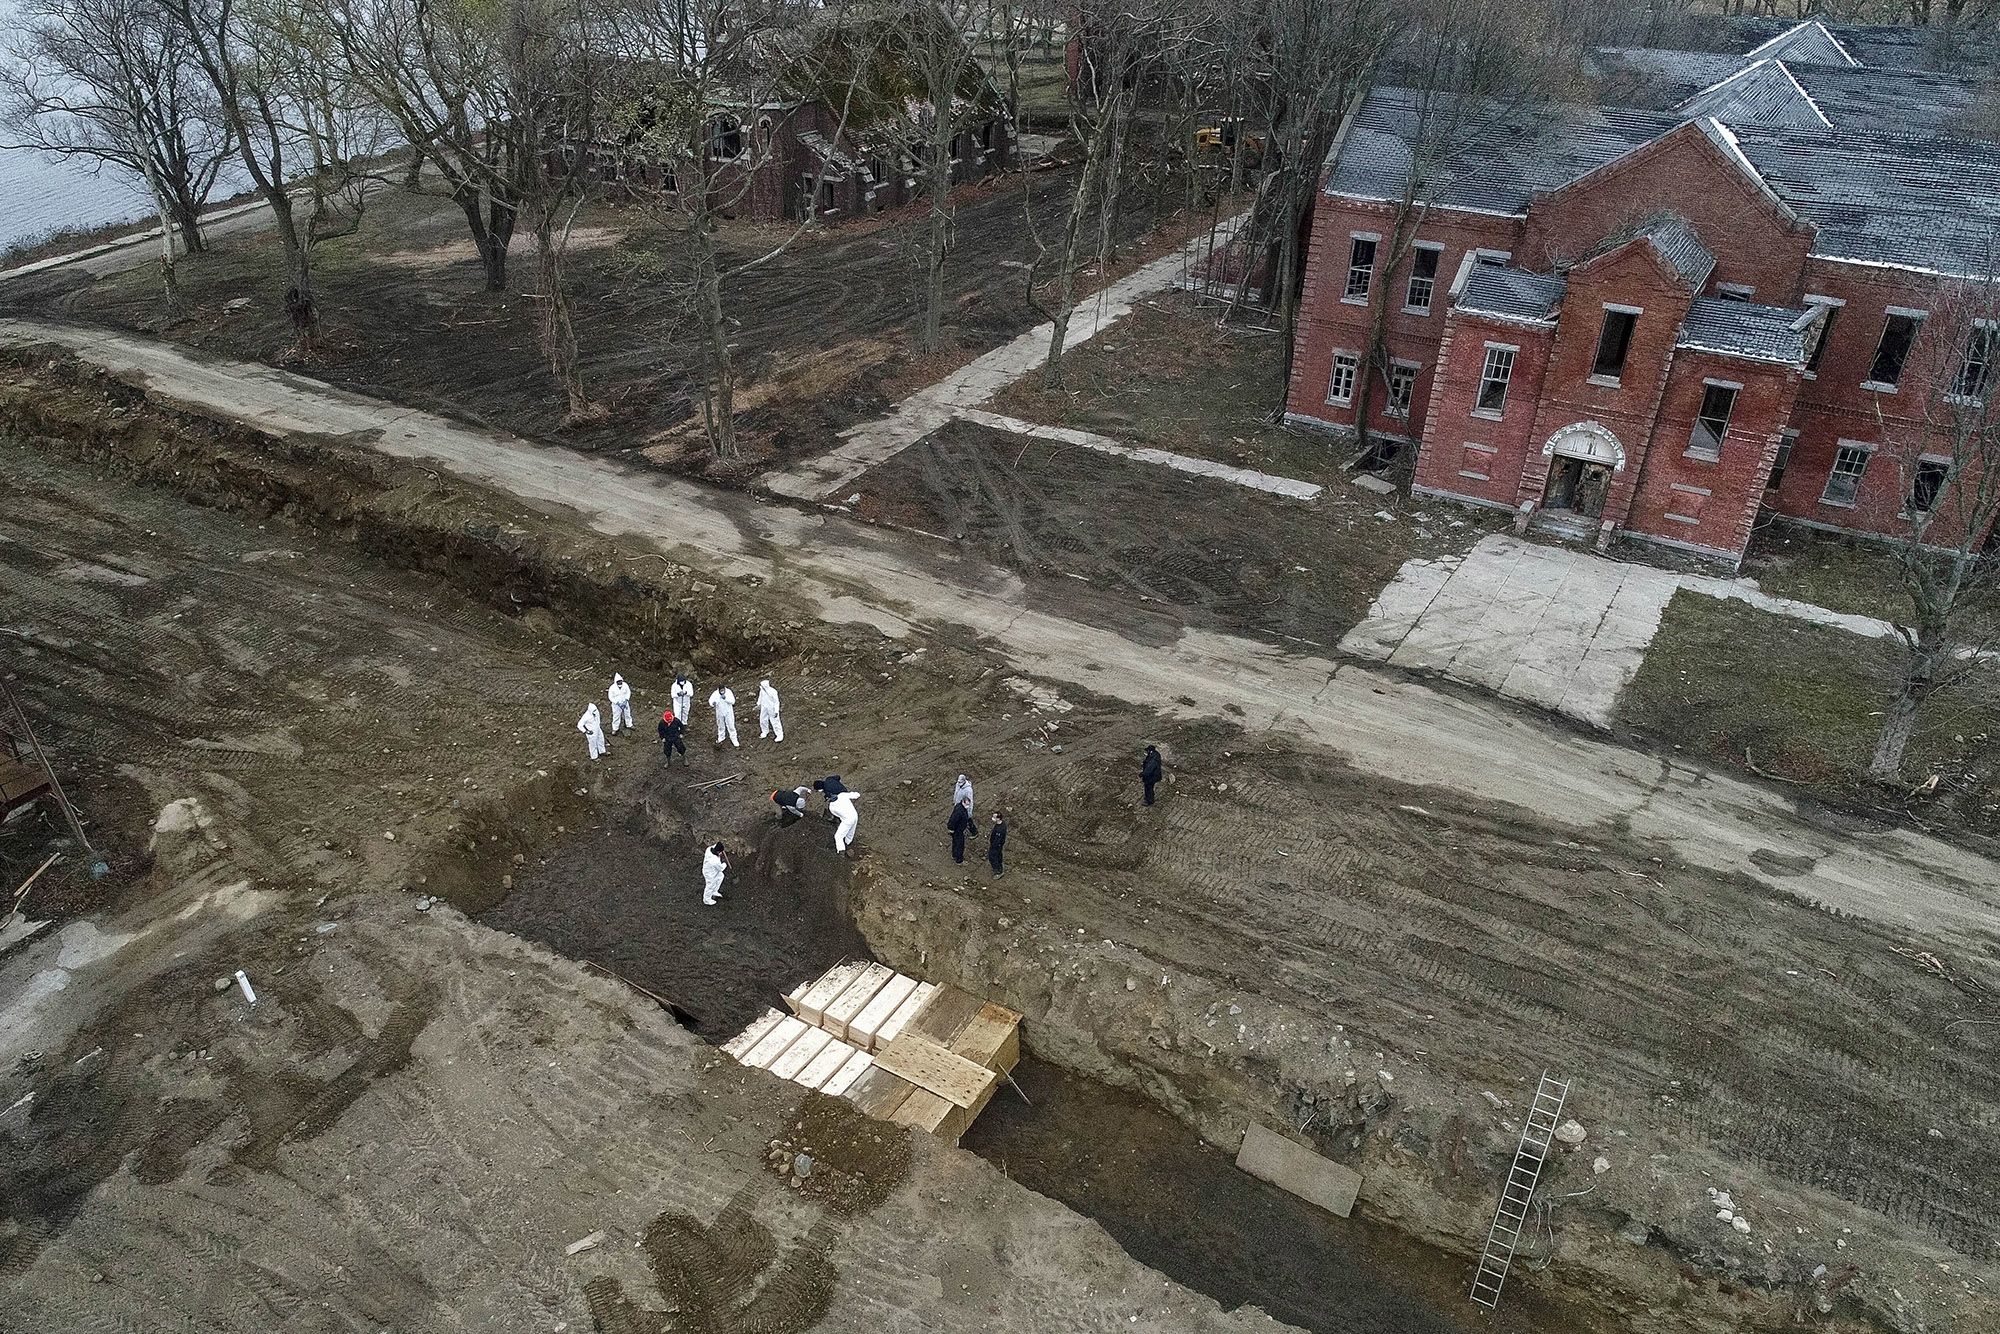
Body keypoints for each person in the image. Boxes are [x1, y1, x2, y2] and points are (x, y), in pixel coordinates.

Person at [828, 790, 859, 855]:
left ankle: (841, 851)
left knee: (838, 836)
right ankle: (847, 843)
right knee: (851, 832)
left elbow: (838, 816)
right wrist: (856, 794)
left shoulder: (832, 807)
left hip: (847, 820)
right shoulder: (842, 795)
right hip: (855, 815)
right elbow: (856, 795)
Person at [709, 684, 739, 748]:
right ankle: (721, 737)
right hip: (719, 712)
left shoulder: (729, 692)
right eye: (721, 690)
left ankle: (734, 739)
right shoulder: (715, 694)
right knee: (720, 726)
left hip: (728, 712)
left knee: (731, 725)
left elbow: (733, 701)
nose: (722, 691)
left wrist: (726, 698)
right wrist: (713, 703)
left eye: (723, 690)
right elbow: (711, 701)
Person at [947, 796, 974, 864]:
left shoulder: (960, 807)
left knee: (955, 843)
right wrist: (951, 829)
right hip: (958, 831)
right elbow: (953, 820)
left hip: (958, 830)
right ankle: (959, 860)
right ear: (962, 802)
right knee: (960, 845)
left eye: (968, 804)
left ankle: (954, 855)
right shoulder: (959, 811)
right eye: (966, 804)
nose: (967, 806)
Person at [701, 842, 728, 906]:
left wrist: (720, 845)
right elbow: (721, 868)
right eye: (721, 852)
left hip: (714, 871)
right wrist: (725, 864)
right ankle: (706, 900)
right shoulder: (714, 860)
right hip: (710, 873)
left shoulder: (709, 849)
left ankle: (714, 891)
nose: (721, 853)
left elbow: (716, 845)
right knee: (710, 885)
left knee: (721, 876)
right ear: (718, 852)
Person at [988, 812, 1006, 877]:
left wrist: (993, 846)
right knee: (998, 856)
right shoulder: (1002, 824)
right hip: (998, 845)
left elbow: (997, 840)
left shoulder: (1000, 830)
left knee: (992, 857)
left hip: (996, 846)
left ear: (998, 819)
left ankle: (998, 871)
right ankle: (999, 867)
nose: (992, 818)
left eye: (994, 817)